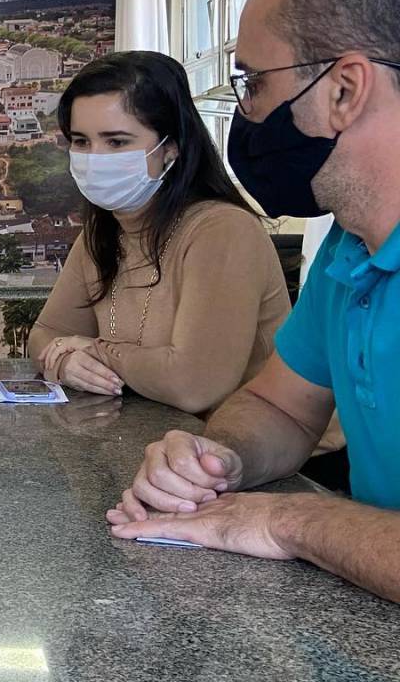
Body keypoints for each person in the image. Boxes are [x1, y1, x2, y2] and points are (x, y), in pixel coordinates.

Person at [108, 0, 400, 604]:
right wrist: (217, 459)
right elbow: (282, 406)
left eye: (253, 81)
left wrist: (291, 520)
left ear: (344, 89)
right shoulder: (348, 250)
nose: (244, 110)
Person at [28, 51, 288, 415]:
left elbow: (194, 386)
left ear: (170, 149)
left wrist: (94, 350)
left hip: (266, 460)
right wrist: (66, 362)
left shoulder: (222, 230)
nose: (94, 158)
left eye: (116, 142)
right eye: (81, 141)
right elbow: (44, 335)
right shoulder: (101, 233)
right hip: (156, 445)